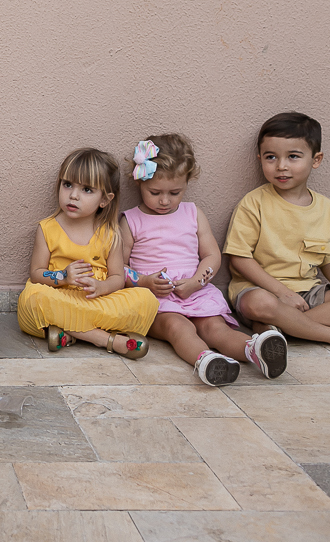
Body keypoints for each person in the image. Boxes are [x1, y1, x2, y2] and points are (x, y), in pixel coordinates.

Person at [121, 135, 288, 386]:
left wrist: (196, 282)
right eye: (154, 192)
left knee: (216, 329)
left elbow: (212, 255)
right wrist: (144, 281)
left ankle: (254, 350)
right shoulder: (131, 220)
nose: (165, 200)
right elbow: (118, 267)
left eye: (174, 192)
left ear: (187, 183)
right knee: (178, 328)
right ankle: (206, 360)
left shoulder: (192, 213)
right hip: (154, 298)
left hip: (195, 291)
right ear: (139, 183)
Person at [223, 112, 330, 350]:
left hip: (308, 294)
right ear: (260, 157)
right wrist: (282, 293)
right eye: (271, 157)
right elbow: (239, 258)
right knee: (260, 304)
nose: (281, 166)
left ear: (316, 159)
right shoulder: (254, 203)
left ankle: (278, 330)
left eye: (293, 156)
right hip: (263, 291)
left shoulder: (326, 208)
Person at [17, 148, 158, 357]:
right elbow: (36, 273)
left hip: (96, 301)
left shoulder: (110, 234)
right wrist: (62, 277)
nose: (73, 195)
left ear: (105, 199)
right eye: (67, 185)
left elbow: (118, 277)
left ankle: (70, 333)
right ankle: (106, 339)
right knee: (31, 296)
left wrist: (102, 287)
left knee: (146, 299)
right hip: (60, 296)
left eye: (87, 190)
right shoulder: (47, 228)